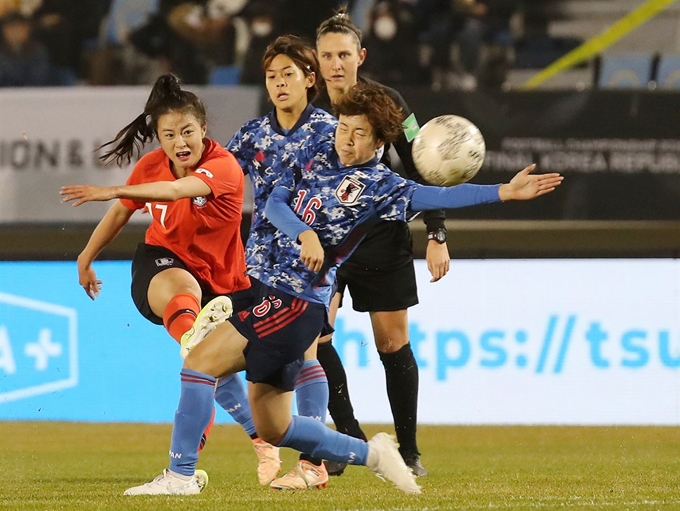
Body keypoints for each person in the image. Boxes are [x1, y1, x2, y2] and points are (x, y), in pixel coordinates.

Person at [121, 81, 560, 497]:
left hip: (294, 302)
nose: (346, 140)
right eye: (344, 128)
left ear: (379, 144)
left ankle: (180, 475)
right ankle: (374, 454)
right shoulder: (317, 153)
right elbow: (274, 201)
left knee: (199, 364)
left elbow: (441, 198)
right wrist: (303, 234)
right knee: (274, 427)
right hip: (265, 291)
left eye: (359, 134)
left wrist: (503, 191)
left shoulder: (384, 188)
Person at [58, 73, 277, 488]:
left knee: (208, 368)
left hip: (225, 284)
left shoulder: (224, 167)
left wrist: (109, 189)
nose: (181, 142)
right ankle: (186, 466)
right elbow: (123, 213)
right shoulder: (150, 166)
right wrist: (86, 256)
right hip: (162, 262)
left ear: (204, 130)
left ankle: (254, 437)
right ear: (159, 137)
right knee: (187, 305)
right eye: (170, 134)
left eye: (188, 131)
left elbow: (179, 191)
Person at [310, 6, 447, 478]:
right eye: (327, 55)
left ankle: (408, 452)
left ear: (360, 55)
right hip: (321, 242)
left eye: (344, 54)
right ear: (316, 58)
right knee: (313, 337)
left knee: (392, 343)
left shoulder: (390, 104)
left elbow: (421, 167)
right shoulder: (301, 106)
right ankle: (349, 438)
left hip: (381, 237)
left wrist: (437, 232)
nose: (336, 64)